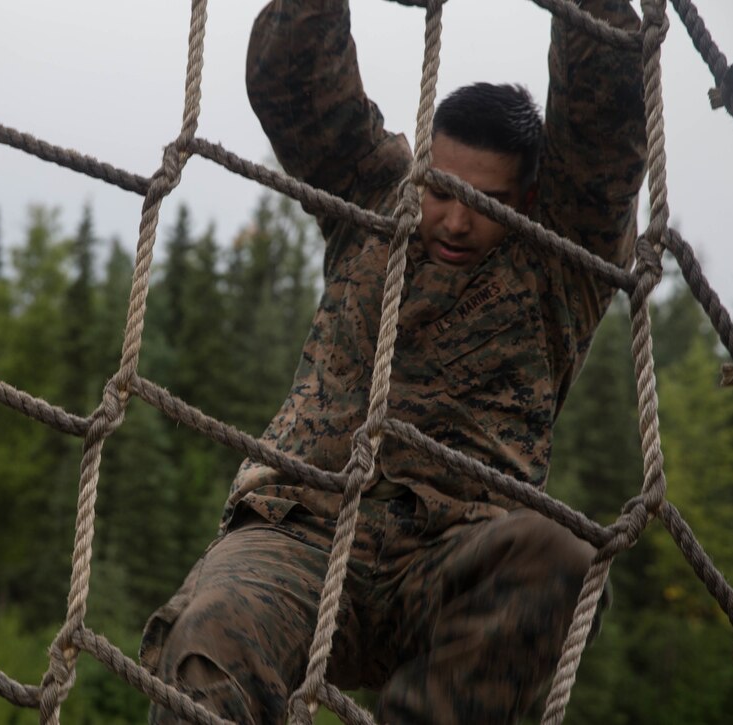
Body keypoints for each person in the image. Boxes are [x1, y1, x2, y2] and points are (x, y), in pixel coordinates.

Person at [141, 0, 647, 722]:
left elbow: (607, 117)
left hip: (451, 552)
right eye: (439, 189)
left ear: (530, 195)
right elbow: (292, 79)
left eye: (485, 201)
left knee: (562, 560)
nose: (453, 219)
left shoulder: (564, 253)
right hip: (302, 528)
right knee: (210, 636)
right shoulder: (376, 197)